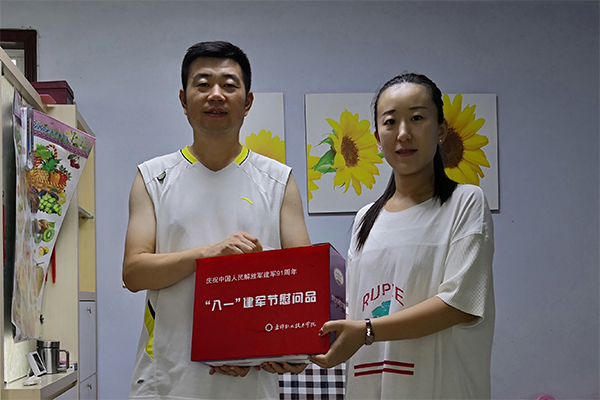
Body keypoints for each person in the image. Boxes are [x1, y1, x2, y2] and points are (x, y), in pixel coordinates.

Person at [122, 41, 310, 400]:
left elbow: (303, 282)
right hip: (169, 381)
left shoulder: (278, 181)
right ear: (183, 100)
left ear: (248, 102)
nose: (216, 95)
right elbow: (134, 273)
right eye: (203, 84)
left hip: (252, 383)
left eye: (229, 85)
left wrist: (288, 353)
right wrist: (209, 254)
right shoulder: (152, 178)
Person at [310, 73, 495, 399]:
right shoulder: (365, 219)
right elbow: (352, 309)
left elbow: (460, 303)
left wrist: (367, 331)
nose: (404, 133)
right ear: (377, 138)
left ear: (441, 130)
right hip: (369, 388)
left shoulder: (465, 202)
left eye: (417, 118)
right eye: (390, 122)